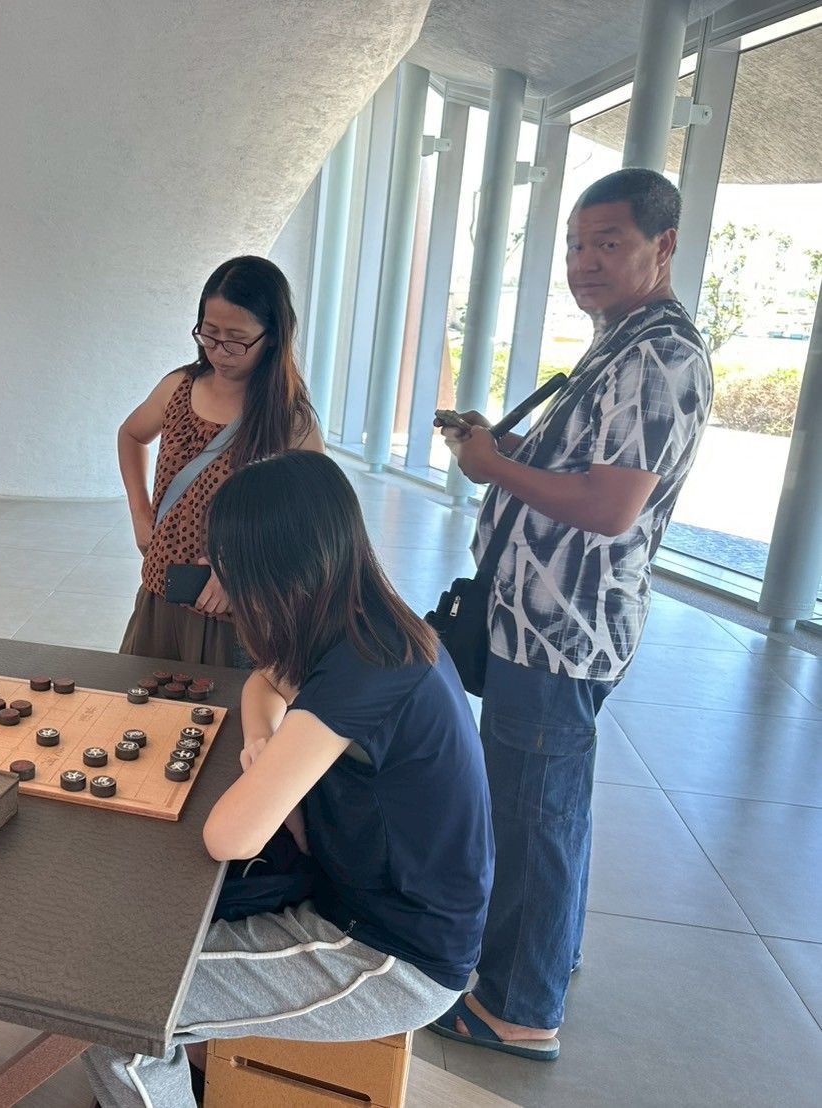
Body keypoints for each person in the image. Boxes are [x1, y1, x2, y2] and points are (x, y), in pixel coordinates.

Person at [85, 451, 493, 1108]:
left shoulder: (367, 670)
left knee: (111, 1001)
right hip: (362, 900)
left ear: (273, 571)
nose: (214, 574)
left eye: (225, 563)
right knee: (138, 937)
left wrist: (274, 775)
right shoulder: (369, 626)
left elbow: (230, 835)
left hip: (390, 953)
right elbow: (263, 682)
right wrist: (265, 743)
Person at [430, 168, 713, 1060]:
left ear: (662, 246)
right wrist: (507, 446)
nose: (584, 262)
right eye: (575, 244)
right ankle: (546, 954)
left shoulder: (658, 356)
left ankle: (518, 1007)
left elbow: (609, 507)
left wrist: (490, 468)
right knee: (544, 803)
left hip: (562, 629)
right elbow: (589, 472)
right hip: (543, 619)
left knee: (533, 813)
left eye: (608, 244)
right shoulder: (620, 342)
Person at [117, 255, 322, 666]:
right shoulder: (178, 388)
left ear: (272, 337)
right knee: (138, 699)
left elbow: (315, 519)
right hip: (162, 592)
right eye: (209, 334)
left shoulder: (289, 419)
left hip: (237, 611)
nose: (220, 352)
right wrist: (140, 511)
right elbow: (131, 434)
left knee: (217, 706)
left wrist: (244, 569)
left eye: (236, 340)